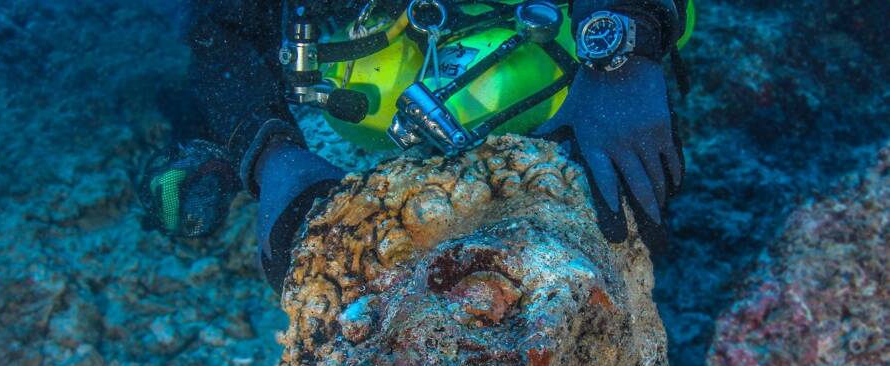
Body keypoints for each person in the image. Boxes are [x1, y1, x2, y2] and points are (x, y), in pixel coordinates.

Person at [142, 0, 692, 293]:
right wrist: (266, 152)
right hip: (396, 121)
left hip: (574, 84)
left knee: (631, 207)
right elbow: (221, 33)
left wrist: (625, 40)